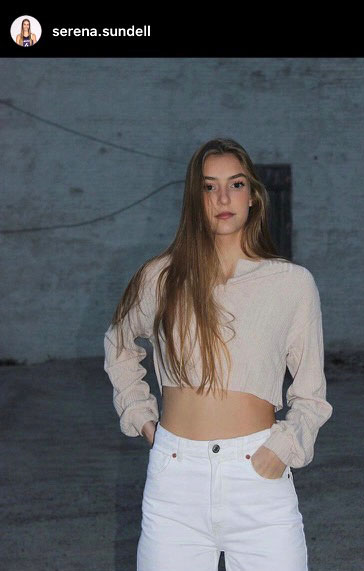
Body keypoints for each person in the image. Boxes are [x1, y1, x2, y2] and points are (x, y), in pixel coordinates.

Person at [103, 138, 333, 570]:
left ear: (253, 196)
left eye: (236, 184)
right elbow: (119, 343)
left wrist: (284, 447)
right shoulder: (161, 277)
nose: (223, 198)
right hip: (176, 484)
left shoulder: (291, 283)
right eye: (209, 187)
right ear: (195, 198)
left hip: (258, 478)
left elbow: (310, 392)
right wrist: (140, 415)